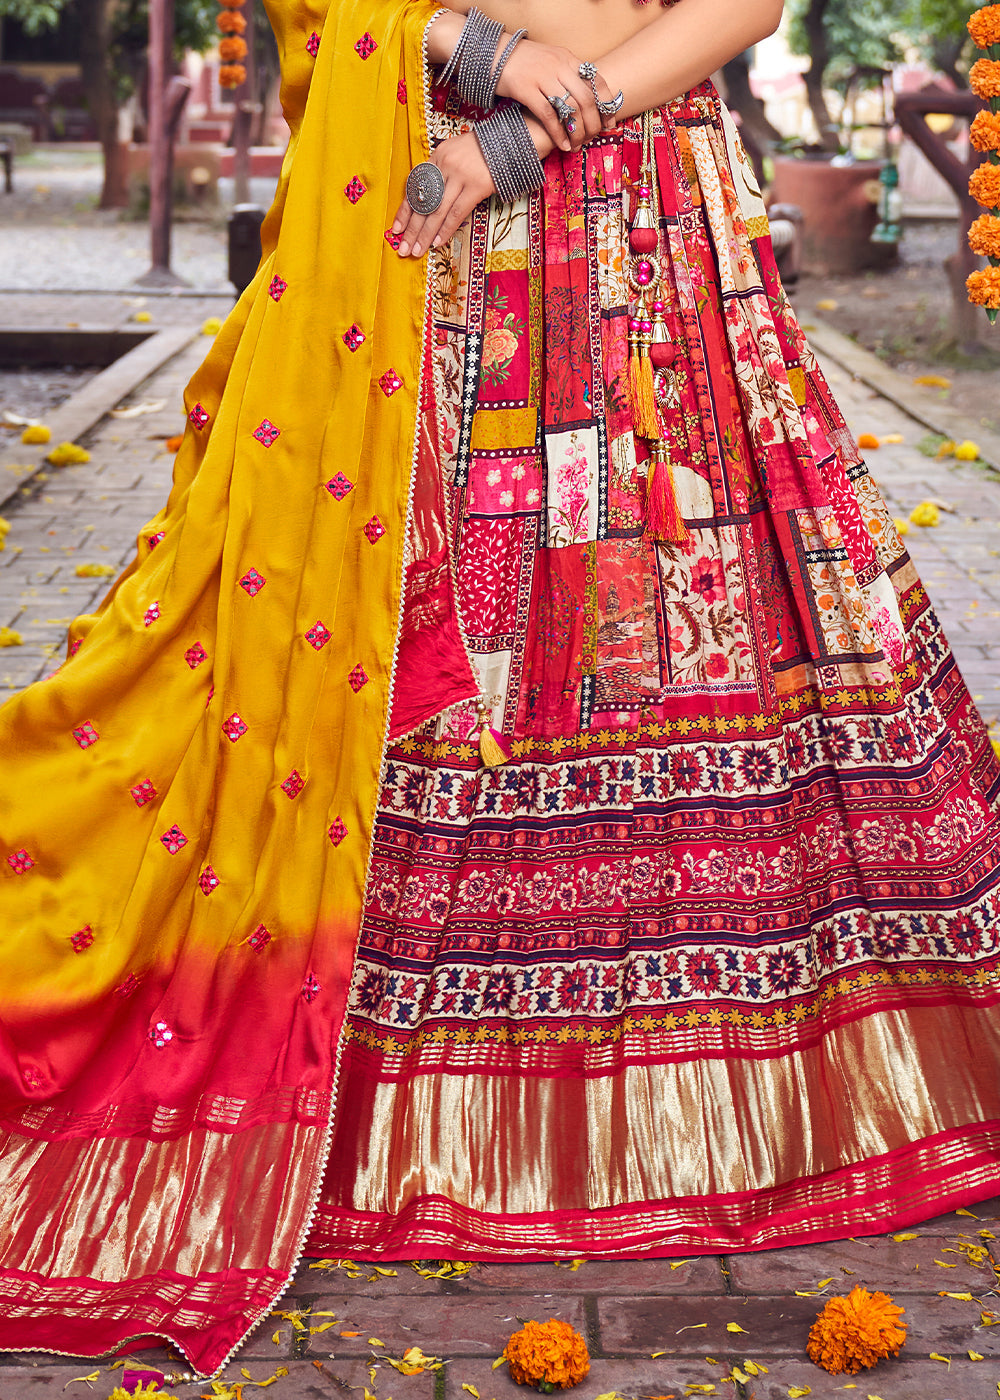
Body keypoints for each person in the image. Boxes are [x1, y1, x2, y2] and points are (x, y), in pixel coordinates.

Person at [1, 0, 999, 1377]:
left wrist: (531, 125)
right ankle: (402, 1110)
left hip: (648, 224)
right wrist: (471, 55)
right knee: (445, 646)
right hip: (449, 244)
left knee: (695, 606)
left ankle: (726, 1094)